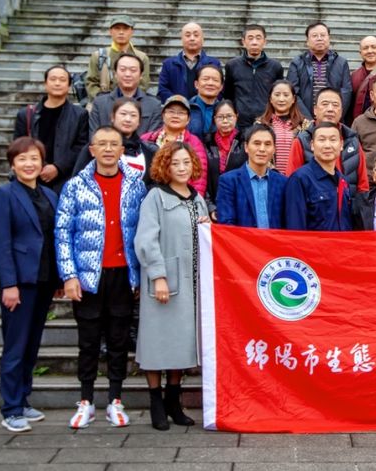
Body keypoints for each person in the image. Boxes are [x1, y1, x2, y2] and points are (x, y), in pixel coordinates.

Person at [56, 126, 146, 429]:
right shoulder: (75, 186)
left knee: (119, 340)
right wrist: (69, 275)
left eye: (114, 144)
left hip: (123, 275)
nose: (108, 149)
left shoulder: (135, 184)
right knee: (89, 341)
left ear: (123, 150)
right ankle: (86, 401)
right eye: (102, 144)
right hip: (88, 275)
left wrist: (140, 275)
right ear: (91, 150)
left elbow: (143, 232)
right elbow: (63, 233)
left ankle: (115, 400)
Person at [135, 141, 209, 430]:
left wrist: (207, 224)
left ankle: (172, 401)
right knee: (157, 343)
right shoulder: (155, 196)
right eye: (175, 163)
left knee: (180, 344)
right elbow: (146, 239)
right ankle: (155, 401)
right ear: (165, 166)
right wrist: (158, 276)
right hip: (164, 282)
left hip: (191, 284)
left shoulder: (197, 197)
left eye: (186, 162)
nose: (181, 168)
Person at [0, 137, 62, 433]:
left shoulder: (49, 194)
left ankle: (24, 398)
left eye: (34, 158)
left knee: (31, 344)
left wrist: (58, 278)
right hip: (19, 282)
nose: (29, 164)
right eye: (22, 159)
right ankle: (10, 407)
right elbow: (1, 242)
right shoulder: (3, 195)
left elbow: (53, 237)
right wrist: (8, 283)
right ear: (12, 164)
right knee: (16, 345)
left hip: (44, 279)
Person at [13, 65, 88, 192]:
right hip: (32, 177)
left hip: (65, 180)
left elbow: (81, 147)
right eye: (53, 79)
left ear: (69, 86)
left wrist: (58, 168)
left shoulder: (80, 115)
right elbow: (18, 146)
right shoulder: (26, 114)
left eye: (62, 80)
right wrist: (40, 166)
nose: (57, 83)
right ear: (45, 84)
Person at [285, 87, 370, 193]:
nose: (330, 109)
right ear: (315, 110)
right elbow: (292, 183)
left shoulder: (352, 140)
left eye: (335, 105)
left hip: (348, 206)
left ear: (341, 111)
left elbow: (363, 185)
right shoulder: (302, 141)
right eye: (325, 104)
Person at [216, 124, 289, 228]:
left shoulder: (283, 183)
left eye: (267, 144)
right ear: (246, 147)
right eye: (257, 143)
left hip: (275, 243)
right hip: (241, 243)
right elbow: (226, 224)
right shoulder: (229, 181)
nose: (262, 149)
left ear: (274, 149)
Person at [284, 122, 353, 231]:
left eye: (333, 140)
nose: (327, 145)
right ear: (312, 145)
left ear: (341, 145)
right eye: (322, 140)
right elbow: (295, 227)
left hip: (342, 246)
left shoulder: (343, 180)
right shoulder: (300, 179)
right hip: (313, 247)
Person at [140, 94, 210, 197]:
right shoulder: (146, 139)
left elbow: (199, 178)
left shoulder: (195, 143)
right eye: (171, 111)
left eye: (181, 113)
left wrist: (192, 201)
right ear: (163, 115)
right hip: (149, 196)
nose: (175, 116)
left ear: (188, 119)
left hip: (182, 197)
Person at [76, 97, 157, 177]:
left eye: (133, 115)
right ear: (112, 117)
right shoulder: (96, 147)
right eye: (123, 114)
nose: (128, 119)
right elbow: (78, 179)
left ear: (139, 121)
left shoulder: (147, 152)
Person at [287, 21, 352, 117]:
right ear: (307, 41)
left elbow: (346, 91)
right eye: (315, 36)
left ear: (329, 38)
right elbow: (293, 93)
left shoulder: (341, 63)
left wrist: (336, 115)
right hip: (304, 120)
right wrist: (307, 119)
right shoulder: (297, 62)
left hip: (332, 118)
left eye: (323, 35)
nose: (319, 38)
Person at [223, 23, 283, 125]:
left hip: (266, 122)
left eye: (258, 38)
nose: (254, 42)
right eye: (250, 38)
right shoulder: (232, 65)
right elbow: (228, 95)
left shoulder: (275, 67)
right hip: (239, 123)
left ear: (265, 41)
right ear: (243, 42)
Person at [88, 53, 162, 135]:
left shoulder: (154, 105)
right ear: (115, 74)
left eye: (133, 70)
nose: (127, 74)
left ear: (141, 75)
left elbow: (152, 139)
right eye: (123, 70)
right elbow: (93, 137)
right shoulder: (100, 103)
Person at [84, 14, 150, 102]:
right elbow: (91, 83)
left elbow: (143, 85)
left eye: (125, 29)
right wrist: (105, 101)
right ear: (110, 31)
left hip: (132, 105)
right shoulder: (98, 56)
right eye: (117, 28)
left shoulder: (141, 57)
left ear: (131, 32)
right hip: (103, 104)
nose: (121, 32)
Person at [156, 21, 220, 103]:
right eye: (188, 35)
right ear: (181, 39)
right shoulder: (169, 64)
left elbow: (220, 90)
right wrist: (179, 103)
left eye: (196, 35)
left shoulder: (213, 63)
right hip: (178, 111)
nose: (192, 38)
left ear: (202, 39)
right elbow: (162, 90)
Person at [257, 80, 309, 175]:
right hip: (269, 178)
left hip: (297, 178)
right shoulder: (261, 124)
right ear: (270, 99)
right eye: (277, 95)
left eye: (286, 95)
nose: (281, 99)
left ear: (293, 99)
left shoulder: (304, 125)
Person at [204, 99, 247, 200]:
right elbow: (202, 177)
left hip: (239, 199)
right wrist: (210, 205)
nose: (225, 121)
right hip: (213, 201)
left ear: (236, 116)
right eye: (220, 117)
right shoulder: (207, 142)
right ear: (214, 119)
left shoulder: (244, 141)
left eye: (229, 116)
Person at [186, 64, 225, 138]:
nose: (210, 83)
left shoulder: (226, 111)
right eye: (205, 79)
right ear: (196, 84)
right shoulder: (185, 108)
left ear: (221, 87)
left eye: (215, 80)